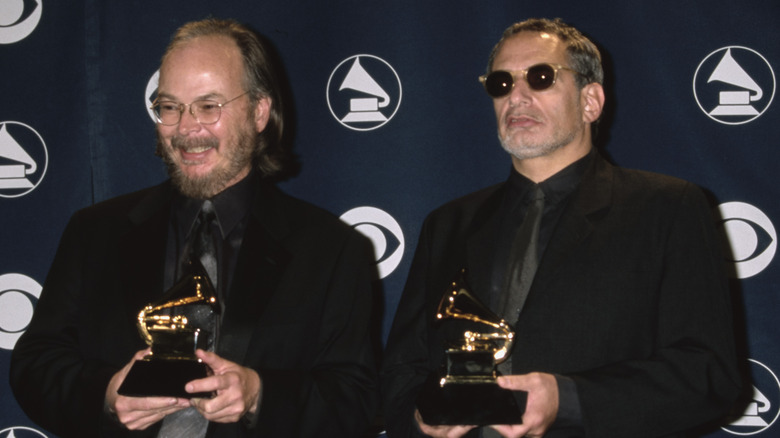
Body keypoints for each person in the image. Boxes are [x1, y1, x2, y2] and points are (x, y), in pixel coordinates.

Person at [10, 18, 377, 438]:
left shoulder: (329, 248)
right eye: (169, 107)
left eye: (208, 106)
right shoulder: (94, 232)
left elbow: (356, 397)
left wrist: (259, 394)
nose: (186, 129)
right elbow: (34, 365)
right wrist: (107, 393)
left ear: (259, 112)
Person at [381, 18, 741, 438]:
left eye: (540, 77)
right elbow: (400, 375)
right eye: (501, 83)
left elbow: (709, 374)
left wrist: (568, 399)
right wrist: (421, 417)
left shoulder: (668, 208)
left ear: (590, 101)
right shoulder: (448, 224)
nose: (517, 96)